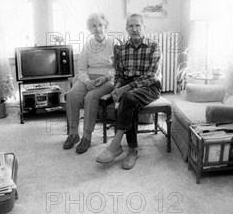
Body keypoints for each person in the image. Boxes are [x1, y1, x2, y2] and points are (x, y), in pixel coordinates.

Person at [95, 14, 161, 170]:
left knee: (129, 96)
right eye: (130, 26)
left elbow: (152, 76)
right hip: (128, 86)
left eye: (137, 25)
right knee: (128, 100)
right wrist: (117, 88)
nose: (134, 29)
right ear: (126, 29)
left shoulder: (153, 46)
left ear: (144, 27)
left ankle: (117, 145)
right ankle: (132, 150)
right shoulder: (122, 49)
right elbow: (119, 74)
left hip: (150, 87)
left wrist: (125, 88)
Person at [64, 13, 117, 153]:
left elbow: (118, 68)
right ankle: (73, 134)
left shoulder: (114, 43)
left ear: (105, 26)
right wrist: (87, 81)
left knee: (90, 97)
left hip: (107, 79)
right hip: (88, 77)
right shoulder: (87, 45)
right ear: (90, 28)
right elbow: (81, 69)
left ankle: (87, 137)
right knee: (72, 95)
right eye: (94, 25)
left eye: (100, 25)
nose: (98, 28)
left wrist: (105, 77)